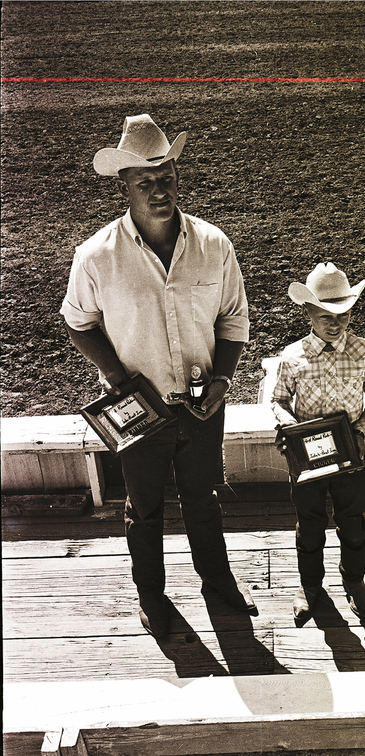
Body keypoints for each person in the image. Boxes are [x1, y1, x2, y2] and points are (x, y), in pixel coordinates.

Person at [61, 113, 257, 639]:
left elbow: (233, 320)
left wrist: (222, 382)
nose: (158, 190)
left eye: (165, 177)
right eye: (144, 181)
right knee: (143, 508)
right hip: (136, 411)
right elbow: (77, 322)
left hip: (201, 405)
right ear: (124, 185)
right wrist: (115, 375)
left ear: (177, 175)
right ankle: (151, 593)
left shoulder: (214, 244)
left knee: (203, 499)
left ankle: (218, 583)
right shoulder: (96, 256)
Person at [270, 262, 365, 624]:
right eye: (325, 315)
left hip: (350, 457)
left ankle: (354, 582)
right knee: (309, 525)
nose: (335, 323)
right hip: (308, 459)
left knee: (352, 523)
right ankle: (310, 587)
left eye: (343, 314)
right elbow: (278, 400)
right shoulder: (292, 356)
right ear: (307, 312)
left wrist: (360, 431)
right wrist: (291, 428)